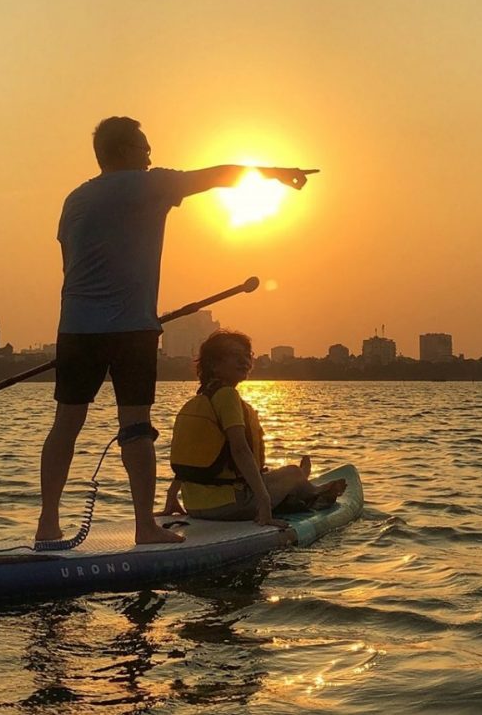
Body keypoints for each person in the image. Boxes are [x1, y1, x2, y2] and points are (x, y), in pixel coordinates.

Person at [36, 116, 316, 546]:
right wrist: (276, 174)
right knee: (135, 427)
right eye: (145, 148)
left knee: (65, 426)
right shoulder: (148, 184)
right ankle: (145, 527)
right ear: (125, 151)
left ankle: (48, 524)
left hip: (75, 328)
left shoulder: (74, 200)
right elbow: (219, 175)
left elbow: (69, 263)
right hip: (132, 330)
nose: (151, 156)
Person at [161, 329, 346, 524]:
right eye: (234, 355)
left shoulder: (202, 399)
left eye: (247, 355)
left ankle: (299, 486)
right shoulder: (227, 396)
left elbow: (193, 458)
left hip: (195, 505)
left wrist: (172, 495)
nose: (244, 361)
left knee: (274, 474)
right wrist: (263, 502)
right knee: (291, 471)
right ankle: (311, 491)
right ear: (213, 365)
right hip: (230, 505)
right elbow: (240, 449)